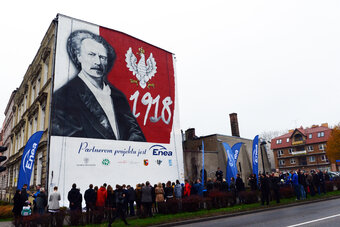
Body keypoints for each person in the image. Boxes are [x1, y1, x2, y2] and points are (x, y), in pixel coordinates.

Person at [51, 30, 146, 141]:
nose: (98, 62)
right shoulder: (64, 96)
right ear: (79, 57)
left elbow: (135, 131)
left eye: (103, 57)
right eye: (91, 55)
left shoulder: (117, 96)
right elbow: (71, 142)